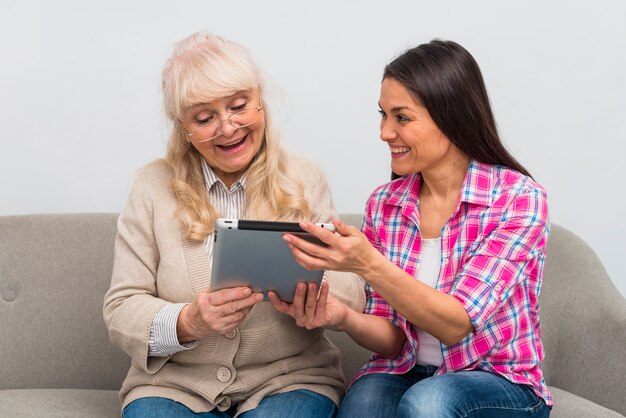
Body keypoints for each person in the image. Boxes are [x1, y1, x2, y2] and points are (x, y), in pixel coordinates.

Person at [272, 40, 552, 417]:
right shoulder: (385, 204)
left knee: (428, 402)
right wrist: (343, 317)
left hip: (498, 380)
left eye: (401, 117)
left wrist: (367, 263)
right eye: (383, 115)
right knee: (363, 406)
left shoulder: (518, 198)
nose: (385, 132)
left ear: (449, 116)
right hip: (406, 371)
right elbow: (393, 341)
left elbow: (455, 324)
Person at [103, 32, 364, 418]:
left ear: (261, 103)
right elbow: (122, 308)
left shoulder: (305, 179)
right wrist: (188, 322)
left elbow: (355, 292)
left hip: (290, 379)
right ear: (184, 128)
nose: (227, 128)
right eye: (205, 118)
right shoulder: (151, 187)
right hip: (175, 387)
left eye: (239, 106)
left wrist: (315, 291)